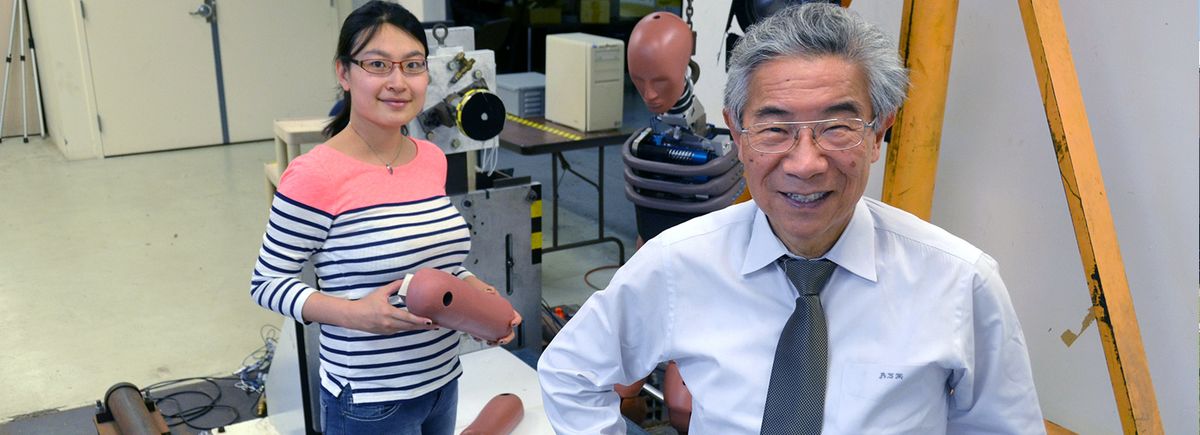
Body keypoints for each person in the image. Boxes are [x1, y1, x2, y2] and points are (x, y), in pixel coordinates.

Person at [537, 3, 1044, 433]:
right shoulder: (677, 264)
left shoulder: (960, 284)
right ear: (738, 134)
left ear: (878, 133)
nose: (805, 163)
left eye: (837, 127)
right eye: (775, 129)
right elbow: (570, 372)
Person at [248, 2, 520, 434]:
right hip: (370, 401)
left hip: (442, 380)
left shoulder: (430, 158)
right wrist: (355, 314)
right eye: (378, 65)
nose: (398, 82)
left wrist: (470, 290)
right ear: (344, 72)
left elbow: (432, 260)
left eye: (412, 65)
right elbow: (267, 283)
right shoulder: (315, 175)